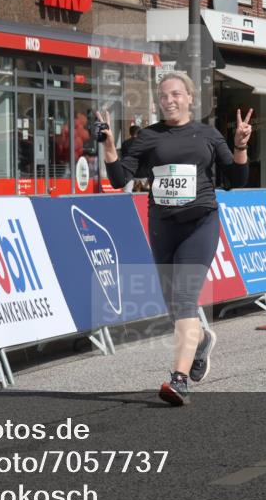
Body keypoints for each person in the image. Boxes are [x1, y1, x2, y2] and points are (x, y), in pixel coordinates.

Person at [100, 71, 251, 406]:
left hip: (200, 223)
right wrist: (110, 148)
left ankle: (179, 379)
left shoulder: (208, 135)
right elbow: (118, 178)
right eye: (163, 95)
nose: (169, 100)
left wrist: (240, 146)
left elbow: (236, 178)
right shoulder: (147, 138)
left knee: (183, 298)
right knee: (173, 305)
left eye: (176, 94)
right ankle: (199, 343)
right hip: (163, 227)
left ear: (190, 98)